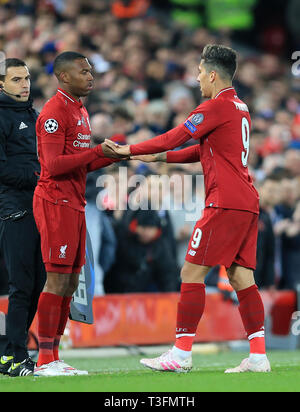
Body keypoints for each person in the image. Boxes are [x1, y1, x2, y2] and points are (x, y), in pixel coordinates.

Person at [105, 44, 271, 373]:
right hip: (246, 202)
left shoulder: (214, 107)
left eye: (198, 73)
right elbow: (202, 151)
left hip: (223, 201)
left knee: (191, 273)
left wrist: (129, 150)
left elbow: (174, 137)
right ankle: (259, 356)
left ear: (212, 74)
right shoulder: (240, 107)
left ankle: (180, 354)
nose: (197, 79)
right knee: (242, 278)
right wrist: (157, 157)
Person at [33, 51, 121, 377]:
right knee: (56, 279)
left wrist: (111, 156)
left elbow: (82, 160)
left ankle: (55, 357)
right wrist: (96, 151)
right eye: (83, 71)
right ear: (64, 77)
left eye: (91, 71)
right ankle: (44, 359)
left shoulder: (80, 110)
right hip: (55, 202)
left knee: (70, 282)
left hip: (75, 202)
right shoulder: (54, 112)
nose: (90, 76)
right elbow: (53, 166)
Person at [0, 58, 46, 377]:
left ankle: (12, 352)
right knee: (21, 284)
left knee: (38, 282)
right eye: (16, 79)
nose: (24, 84)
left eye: (26, 78)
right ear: (1, 84)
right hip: (14, 208)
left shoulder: (34, 114)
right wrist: (39, 174)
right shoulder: (1, 117)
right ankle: (14, 355)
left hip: (41, 207)